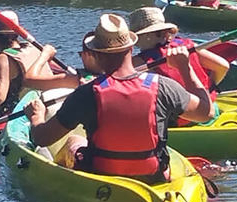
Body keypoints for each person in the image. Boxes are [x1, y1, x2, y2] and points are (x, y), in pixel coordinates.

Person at [25, 13, 214, 182]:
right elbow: (206, 113)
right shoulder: (163, 87)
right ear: (131, 49)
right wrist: (185, 68)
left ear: (97, 55)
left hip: (103, 178)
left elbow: (42, 138)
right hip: (153, 178)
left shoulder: (85, 94)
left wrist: (37, 116)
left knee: (74, 141)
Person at [129, 6, 229, 114]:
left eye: (136, 37)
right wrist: (208, 91)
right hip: (210, 106)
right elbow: (223, 66)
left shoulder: (138, 62)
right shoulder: (187, 46)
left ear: (147, 35)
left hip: (182, 117)